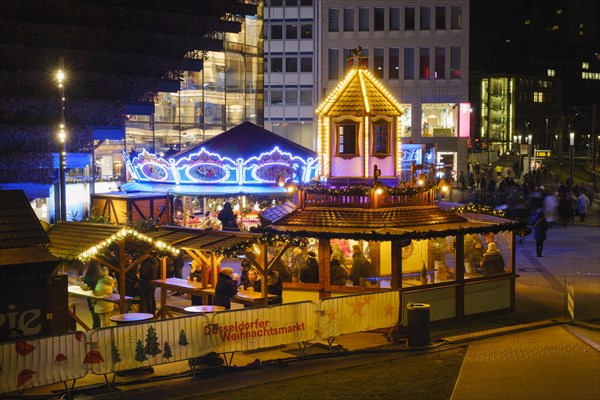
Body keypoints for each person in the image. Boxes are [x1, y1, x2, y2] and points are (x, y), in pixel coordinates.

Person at [82, 261, 103, 329]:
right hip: (97, 293)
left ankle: (96, 326)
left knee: (93, 310)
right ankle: (96, 325)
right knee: (95, 310)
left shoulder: (91, 271)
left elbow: (87, 281)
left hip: (92, 293)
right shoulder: (99, 270)